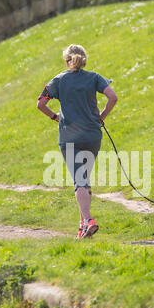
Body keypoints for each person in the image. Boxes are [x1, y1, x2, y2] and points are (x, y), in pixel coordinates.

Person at [37, 44, 117, 238]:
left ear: (67, 61)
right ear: (84, 60)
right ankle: (82, 227)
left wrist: (55, 117)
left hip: (69, 136)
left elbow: (40, 103)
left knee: (79, 180)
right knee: (84, 179)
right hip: (92, 135)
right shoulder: (95, 78)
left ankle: (89, 219)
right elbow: (112, 97)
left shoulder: (59, 80)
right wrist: (102, 116)